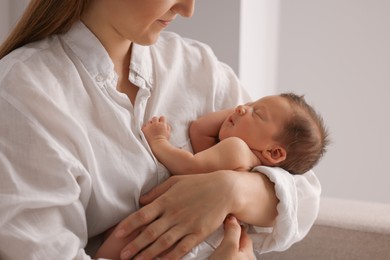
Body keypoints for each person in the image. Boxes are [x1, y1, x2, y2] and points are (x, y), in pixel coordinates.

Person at [0, 0, 321, 259]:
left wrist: (229, 189)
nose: (188, 8)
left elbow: (302, 195)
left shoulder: (195, 65)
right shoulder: (24, 92)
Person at [142, 93, 328, 176]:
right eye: (250, 103)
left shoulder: (237, 150)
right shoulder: (240, 162)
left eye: (257, 113)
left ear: (274, 153)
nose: (241, 107)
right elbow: (199, 130)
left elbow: (190, 167)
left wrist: (158, 141)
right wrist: (243, 111)